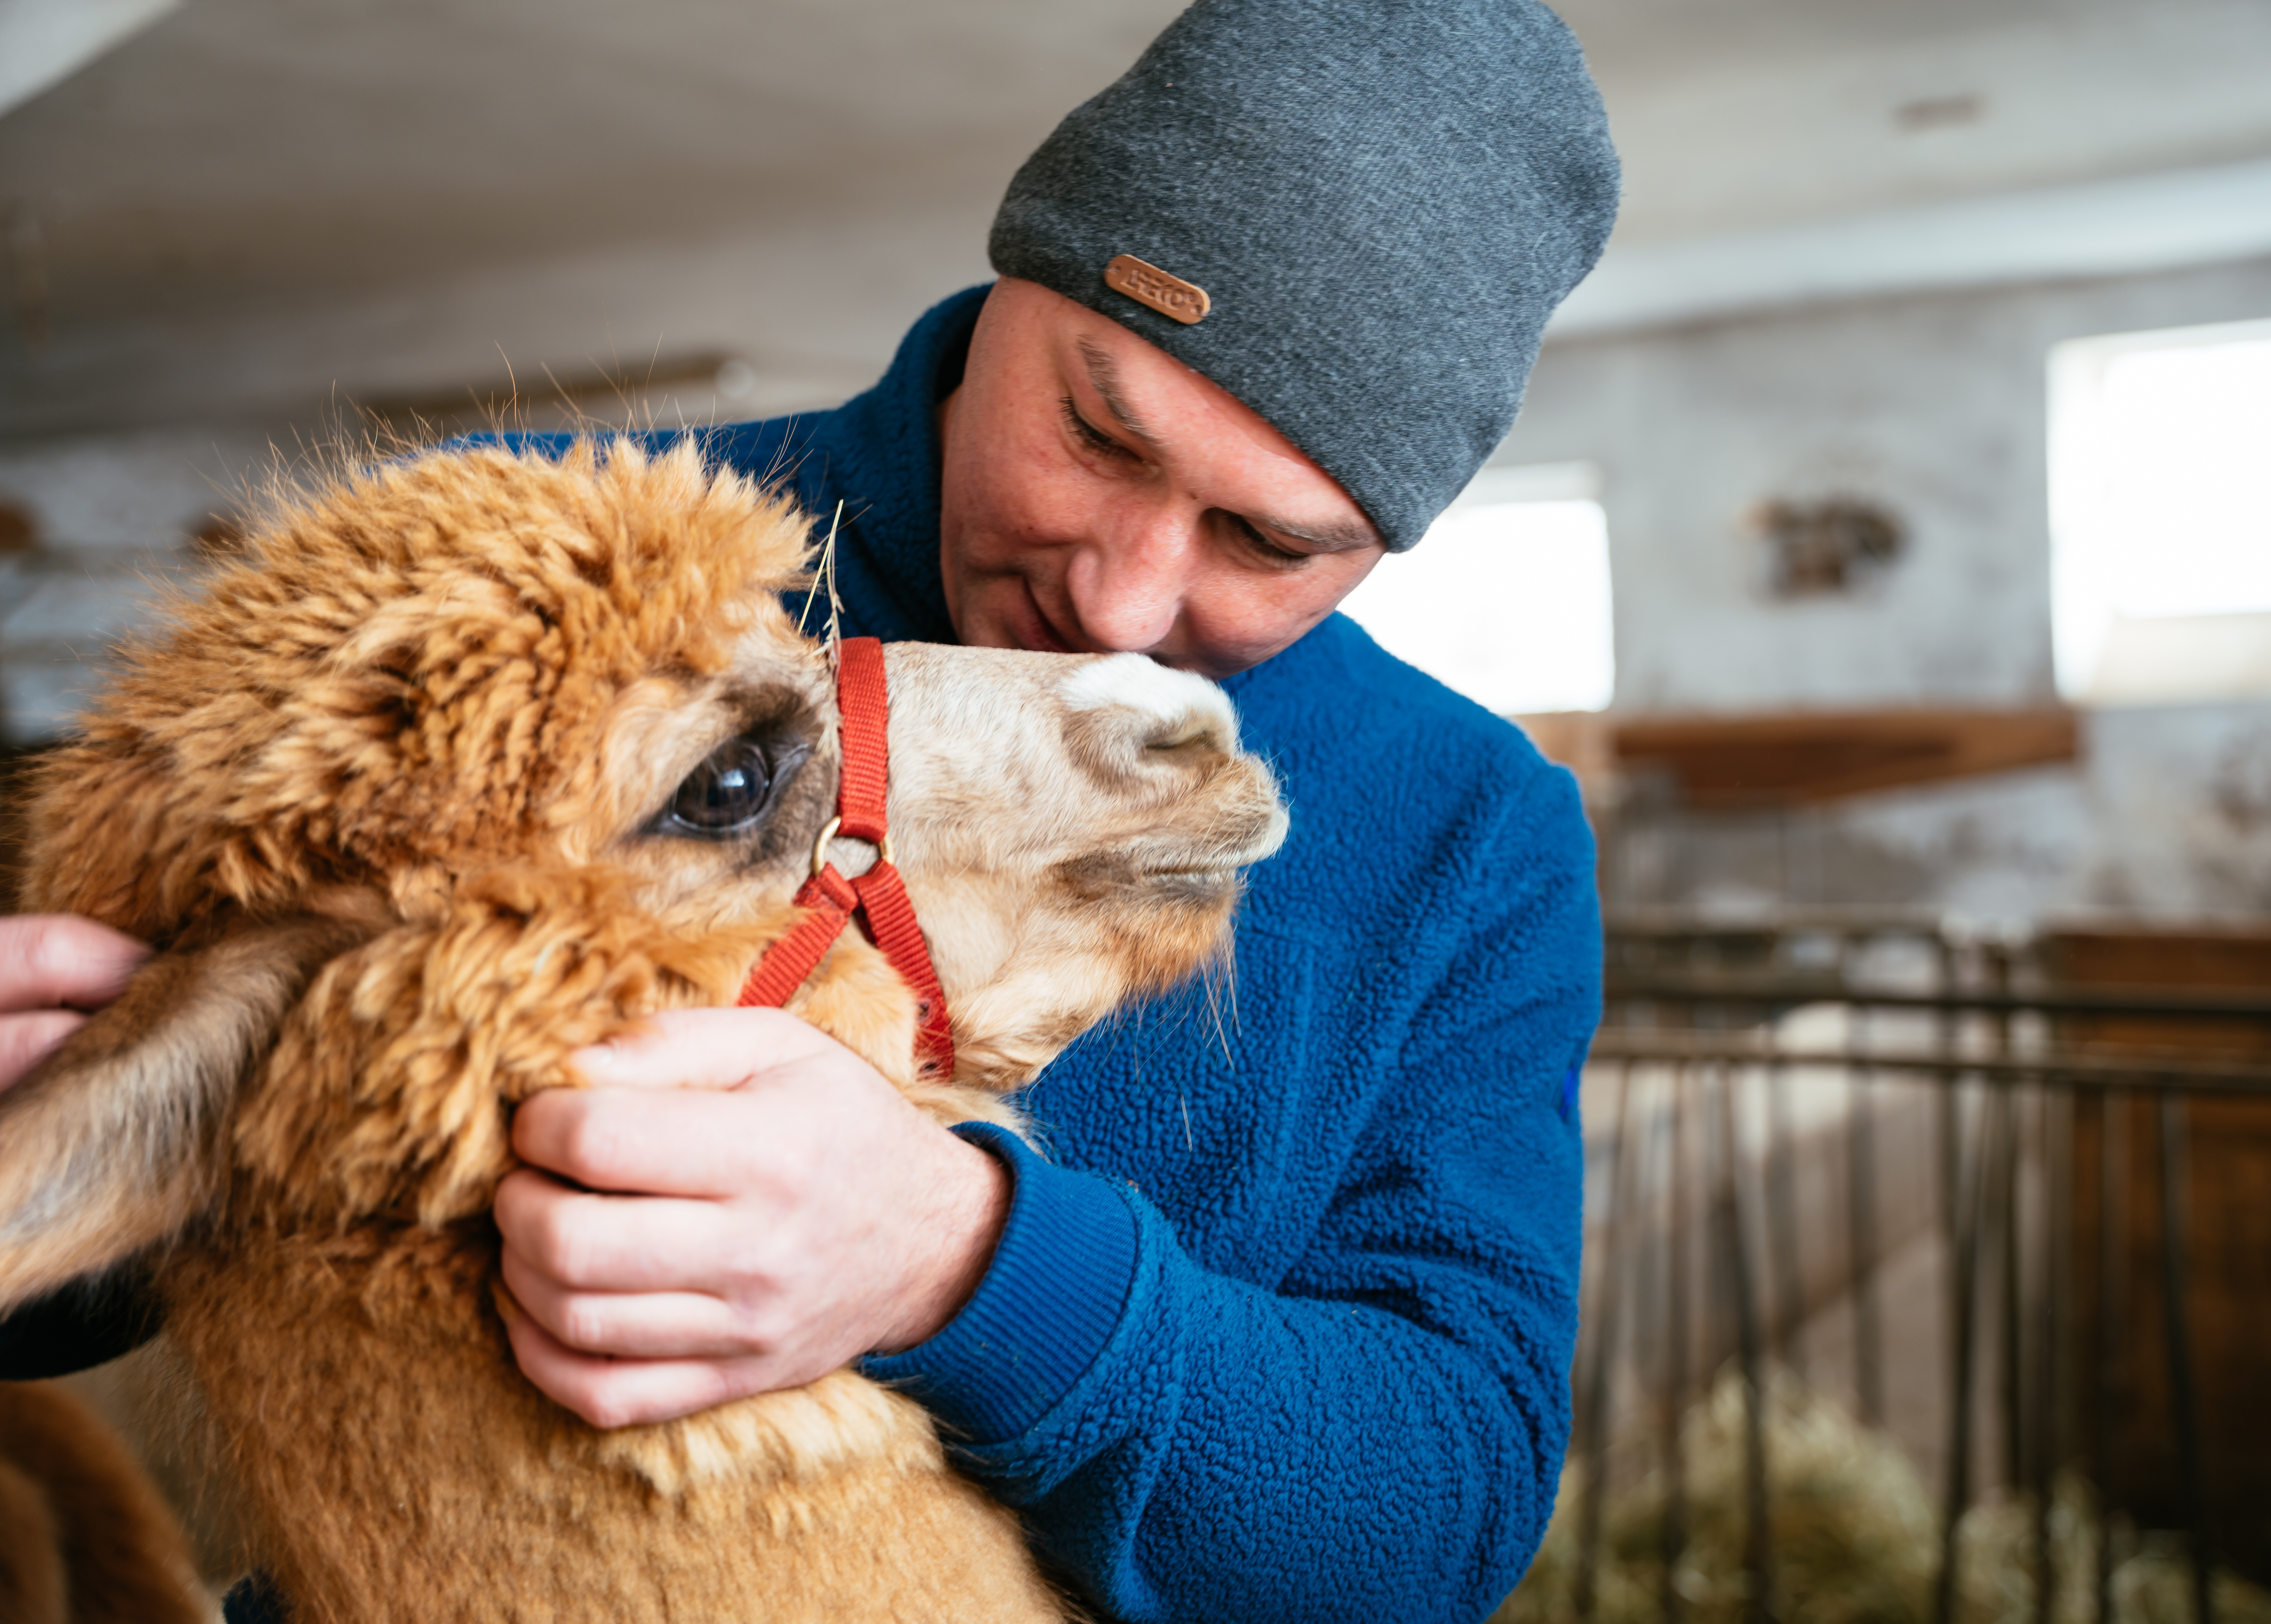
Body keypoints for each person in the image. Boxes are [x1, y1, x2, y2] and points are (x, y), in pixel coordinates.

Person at [0, 1, 1619, 1618]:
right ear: (1013, 289)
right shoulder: (498, 584)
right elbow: (149, 1194)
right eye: (1094, 432)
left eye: (1267, 544)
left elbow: (1444, 1504)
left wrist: (959, 1266)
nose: (1120, 605)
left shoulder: (1476, 840)